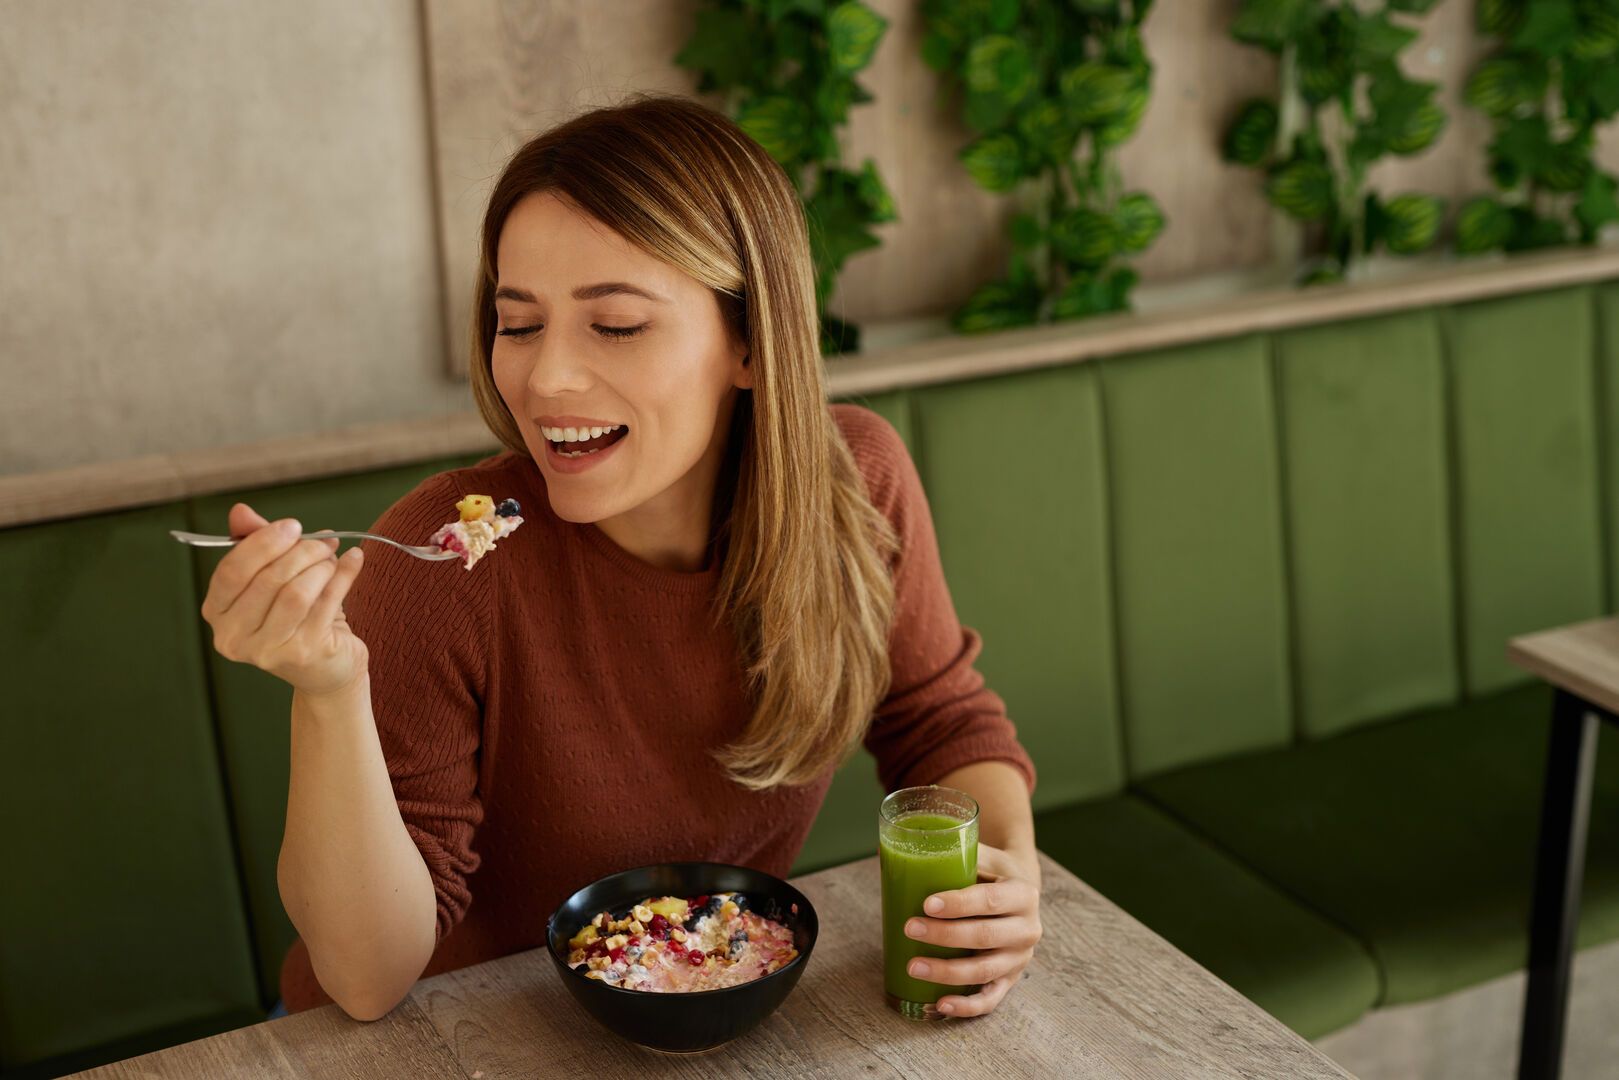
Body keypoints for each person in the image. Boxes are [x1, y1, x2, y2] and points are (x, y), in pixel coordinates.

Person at [200, 94, 1041, 1023]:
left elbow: (938, 724)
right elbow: (365, 980)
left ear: (750, 342)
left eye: (616, 324)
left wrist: (1002, 888)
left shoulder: (857, 484)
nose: (546, 377)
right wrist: (328, 691)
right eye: (520, 324)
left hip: (691, 1012)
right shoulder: (443, 560)